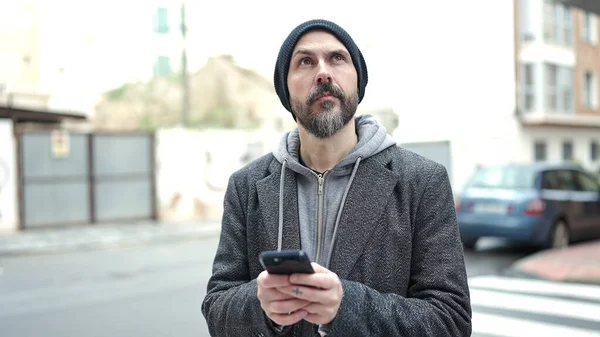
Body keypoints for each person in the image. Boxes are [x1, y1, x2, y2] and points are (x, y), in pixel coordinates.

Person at [202, 19, 472, 336]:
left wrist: (346, 307)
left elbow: (451, 321)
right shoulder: (247, 186)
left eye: (337, 58)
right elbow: (217, 308)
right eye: (304, 61)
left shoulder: (422, 181)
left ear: (358, 81)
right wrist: (260, 305)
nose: (323, 72)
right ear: (286, 90)